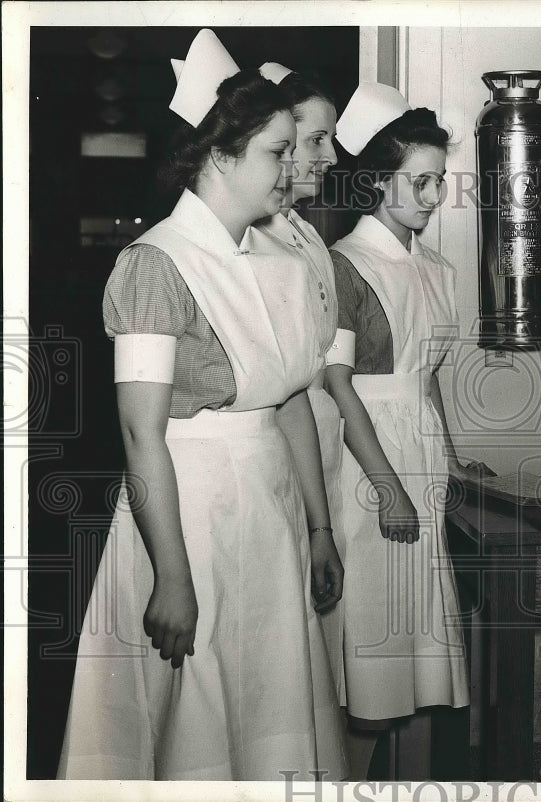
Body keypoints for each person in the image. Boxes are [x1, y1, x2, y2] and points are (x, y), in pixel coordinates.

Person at [57, 30, 347, 781]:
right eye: (278, 152)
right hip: (188, 515)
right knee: (198, 717)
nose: (294, 169)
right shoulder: (156, 263)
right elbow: (137, 430)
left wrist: (317, 526)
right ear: (221, 154)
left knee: (266, 706)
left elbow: (286, 404)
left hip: (267, 508)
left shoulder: (269, 258)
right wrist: (172, 574)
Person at [324, 82, 478, 779]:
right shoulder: (344, 264)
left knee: (408, 658)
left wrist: (449, 459)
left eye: (440, 181)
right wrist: (387, 488)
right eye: (420, 180)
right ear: (379, 180)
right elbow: (336, 385)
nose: (433, 194)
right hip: (366, 462)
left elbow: (430, 377)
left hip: (419, 456)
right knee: (370, 666)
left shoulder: (438, 268)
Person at [256, 61, 349, 699]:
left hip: (322, 454)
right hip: (279, 458)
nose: (331, 155)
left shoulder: (307, 236)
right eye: (315, 140)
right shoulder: (255, 240)